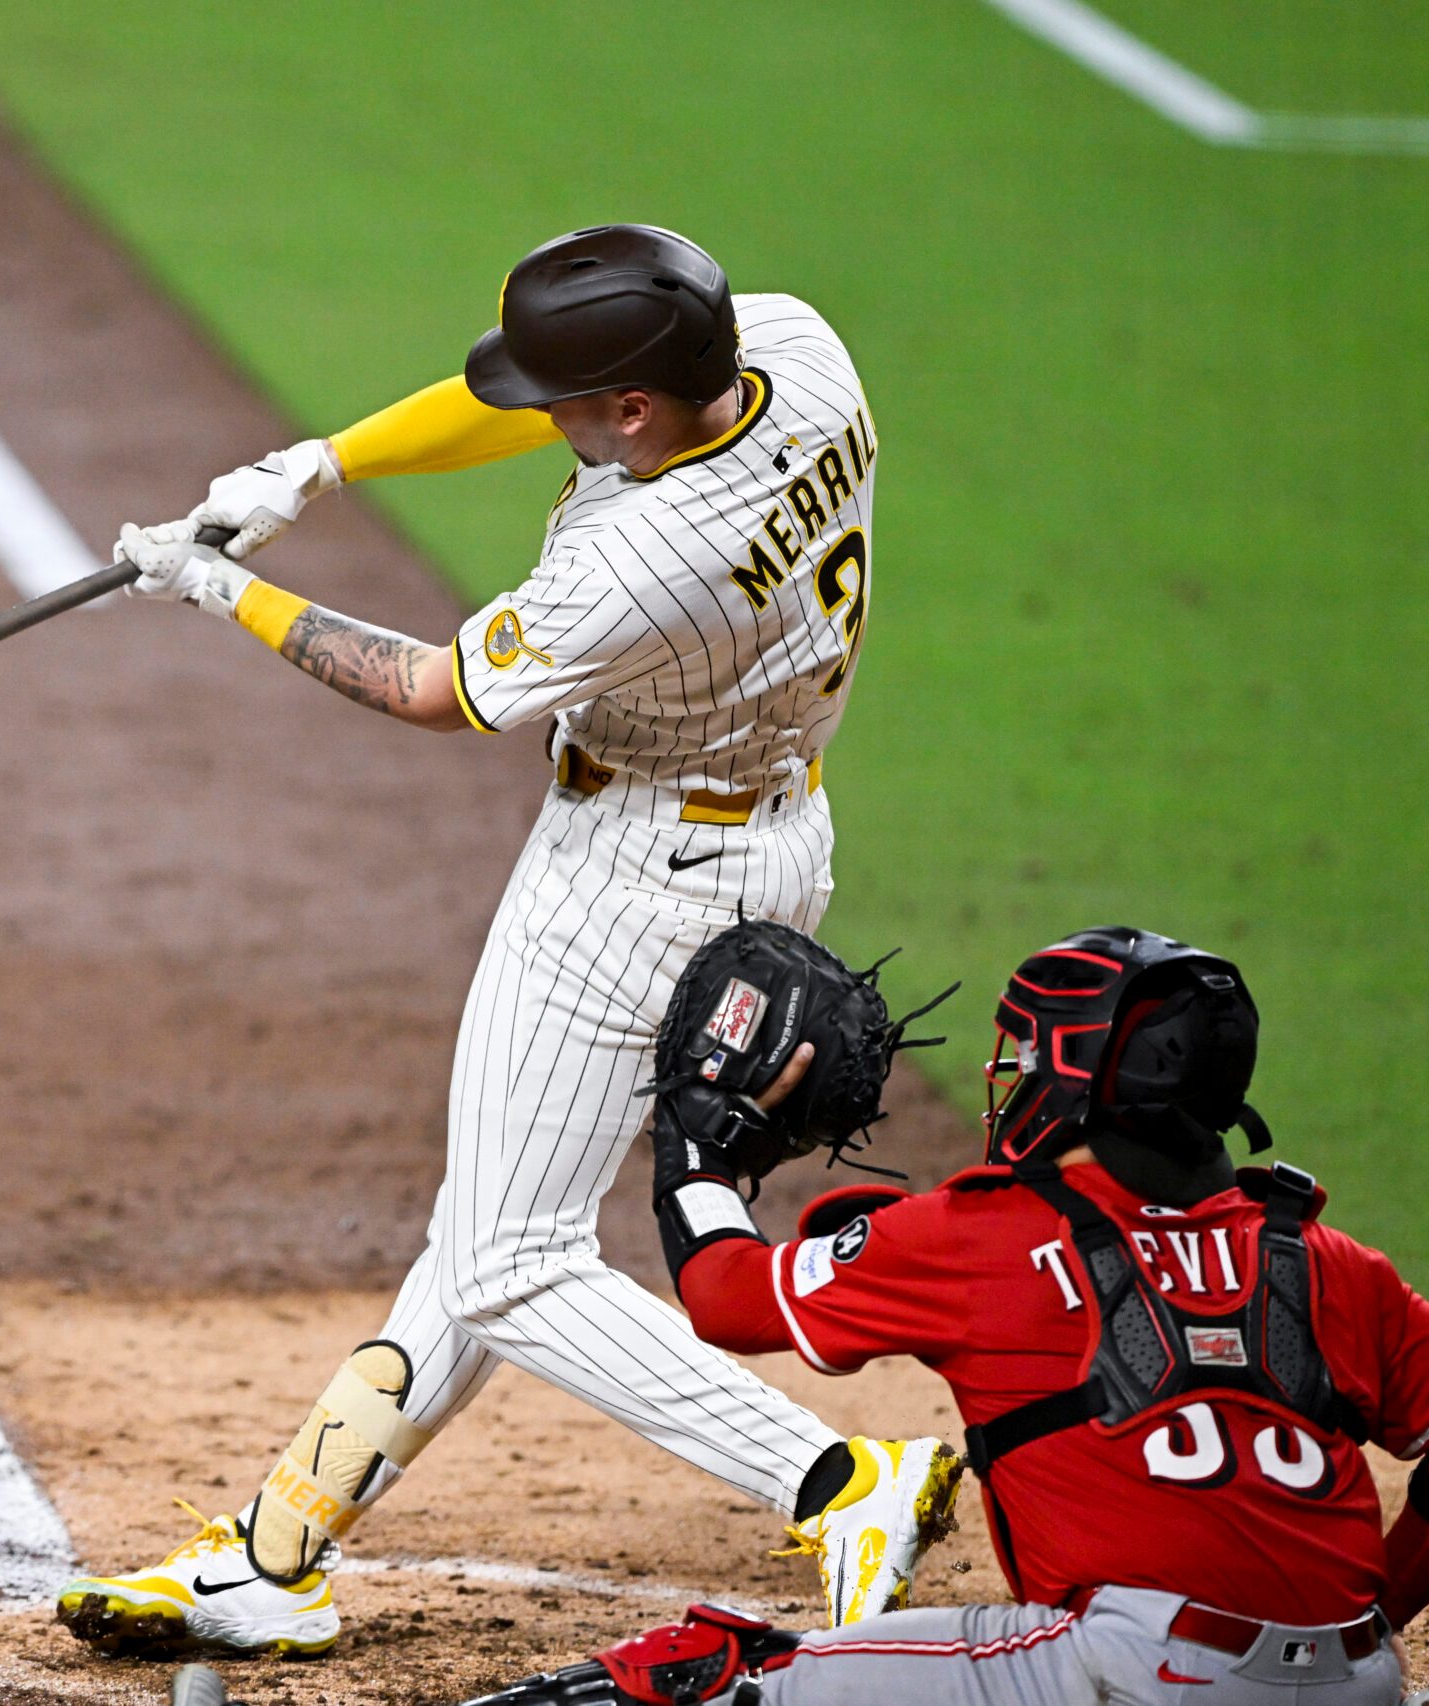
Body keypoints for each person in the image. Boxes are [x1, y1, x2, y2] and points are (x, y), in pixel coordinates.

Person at [52, 224, 960, 1658]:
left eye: (568, 407)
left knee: (510, 1261)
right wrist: (317, 465)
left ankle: (840, 1481)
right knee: (497, 1210)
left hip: (634, 873)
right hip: (774, 833)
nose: (542, 419)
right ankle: (277, 1554)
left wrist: (223, 589)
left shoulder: (646, 557)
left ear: (637, 412)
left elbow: (428, 687)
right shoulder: (795, 347)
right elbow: (531, 396)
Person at [481, 924, 1429, 1705]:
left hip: (1129, 1670)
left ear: (1078, 1075)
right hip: (1359, 1679)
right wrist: (1373, 1609)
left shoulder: (984, 1236)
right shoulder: (1331, 1258)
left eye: (1031, 1051)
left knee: (705, 1670)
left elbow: (726, 1294)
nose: (1016, 1071)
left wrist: (697, 1142)